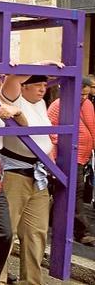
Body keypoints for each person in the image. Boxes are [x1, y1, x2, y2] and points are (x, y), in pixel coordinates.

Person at [0, 64, 63, 285]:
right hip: (15, 172)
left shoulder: (41, 104)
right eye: (37, 84)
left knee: (36, 233)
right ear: (24, 87)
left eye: (45, 84)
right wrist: (43, 63)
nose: (42, 89)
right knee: (7, 231)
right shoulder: (13, 99)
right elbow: (13, 78)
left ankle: (32, 281)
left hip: (39, 173)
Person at [47, 77, 95, 247]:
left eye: (87, 95)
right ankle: (83, 232)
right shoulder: (58, 105)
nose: (84, 98)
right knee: (76, 192)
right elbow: (50, 130)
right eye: (81, 94)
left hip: (82, 156)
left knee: (67, 192)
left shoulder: (87, 105)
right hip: (66, 155)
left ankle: (53, 219)